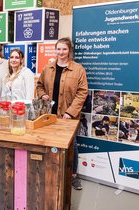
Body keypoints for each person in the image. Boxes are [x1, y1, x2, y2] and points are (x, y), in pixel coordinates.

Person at [36, 37, 88, 190]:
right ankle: (53, 172)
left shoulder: (78, 69)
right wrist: (42, 94)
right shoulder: (48, 68)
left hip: (68, 116)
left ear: (69, 50)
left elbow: (82, 93)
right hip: (49, 116)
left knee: (73, 146)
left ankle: (73, 176)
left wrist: (70, 113)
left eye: (64, 49)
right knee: (50, 144)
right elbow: (39, 86)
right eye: (58, 49)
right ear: (55, 50)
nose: (61, 52)